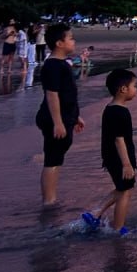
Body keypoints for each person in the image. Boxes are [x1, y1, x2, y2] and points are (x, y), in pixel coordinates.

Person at [83, 69, 137, 235]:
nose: (136, 90)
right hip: (119, 158)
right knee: (125, 193)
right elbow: (118, 139)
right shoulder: (119, 112)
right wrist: (127, 164)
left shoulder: (111, 108)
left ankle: (96, 213)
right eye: (134, 86)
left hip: (113, 156)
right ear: (123, 89)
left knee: (123, 189)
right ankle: (118, 228)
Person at [35, 22, 84, 205]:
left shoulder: (62, 64)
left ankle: (51, 197)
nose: (74, 41)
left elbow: (67, 94)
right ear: (59, 43)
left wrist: (75, 116)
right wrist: (58, 122)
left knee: (57, 159)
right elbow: (52, 95)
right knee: (52, 160)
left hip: (65, 117)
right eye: (70, 38)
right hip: (54, 118)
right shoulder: (53, 66)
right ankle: (49, 200)